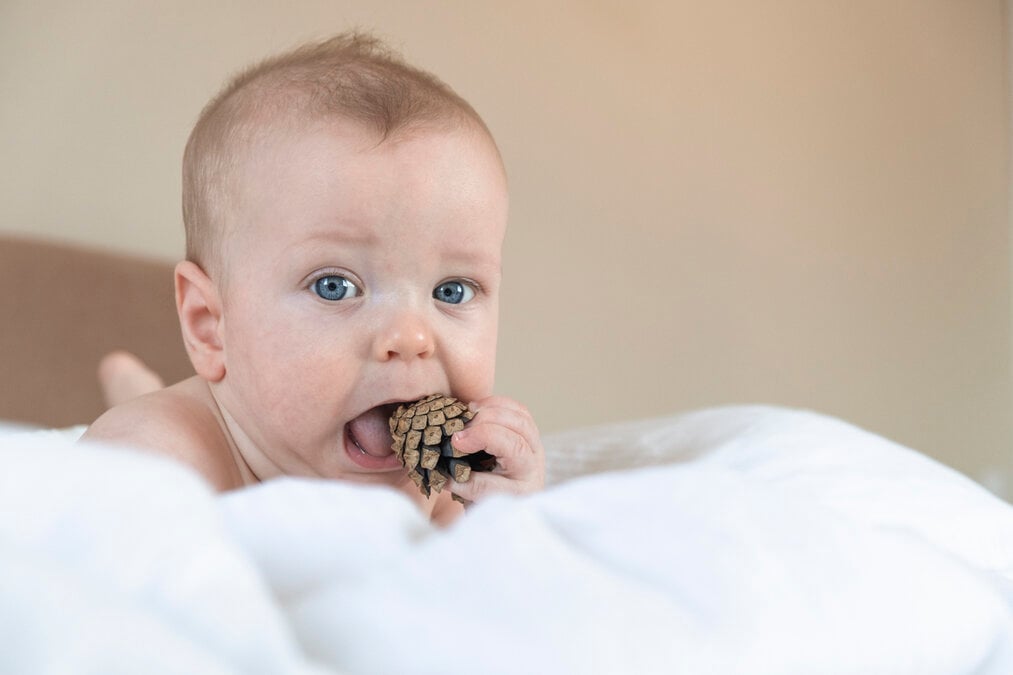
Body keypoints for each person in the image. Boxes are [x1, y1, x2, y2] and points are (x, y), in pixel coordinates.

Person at [82, 33, 545, 525]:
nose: (411, 338)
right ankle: (135, 389)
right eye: (335, 286)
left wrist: (505, 516)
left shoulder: (441, 486)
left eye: (451, 291)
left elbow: (489, 570)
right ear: (210, 326)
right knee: (147, 409)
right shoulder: (155, 462)